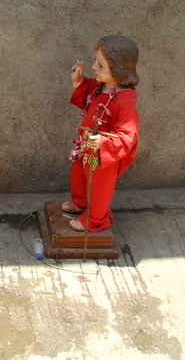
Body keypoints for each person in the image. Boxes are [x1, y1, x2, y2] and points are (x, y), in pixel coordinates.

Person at [63, 35, 139, 233]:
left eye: (100, 65)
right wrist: (78, 81)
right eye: (96, 63)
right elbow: (89, 99)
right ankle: (80, 203)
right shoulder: (101, 87)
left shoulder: (125, 100)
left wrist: (104, 142)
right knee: (78, 175)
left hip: (104, 157)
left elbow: (128, 134)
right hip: (86, 147)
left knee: (98, 188)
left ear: (118, 69)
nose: (95, 67)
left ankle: (95, 219)